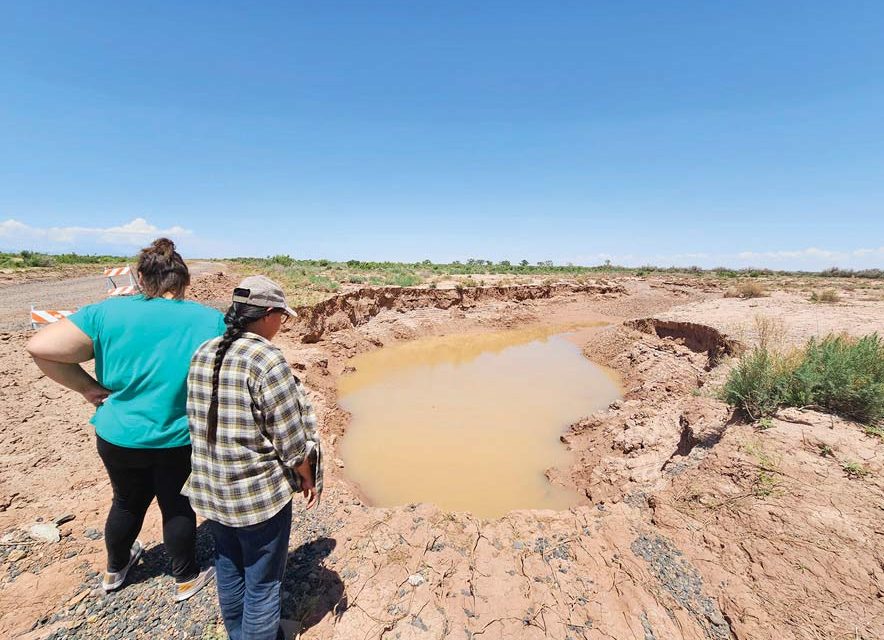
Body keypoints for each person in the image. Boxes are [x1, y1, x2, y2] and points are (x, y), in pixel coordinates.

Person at [26, 238, 223, 600]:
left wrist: (86, 387)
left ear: (142, 280)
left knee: (127, 502)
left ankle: (115, 571)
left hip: (118, 435)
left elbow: (40, 347)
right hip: (177, 437)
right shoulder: (209, 319)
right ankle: (185, 578)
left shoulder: (105, 313)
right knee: (177, 504)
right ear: (182, 282)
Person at [184, 275, 322, 640]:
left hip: (212, 491)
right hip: (256, 498)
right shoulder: (266, 358)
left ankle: (238, 634)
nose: (282, 324)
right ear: (269, 313)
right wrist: (307, 474)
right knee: (263, 583)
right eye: (282, 317)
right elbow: (291, 443)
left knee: (229, 567)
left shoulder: (205, 351)